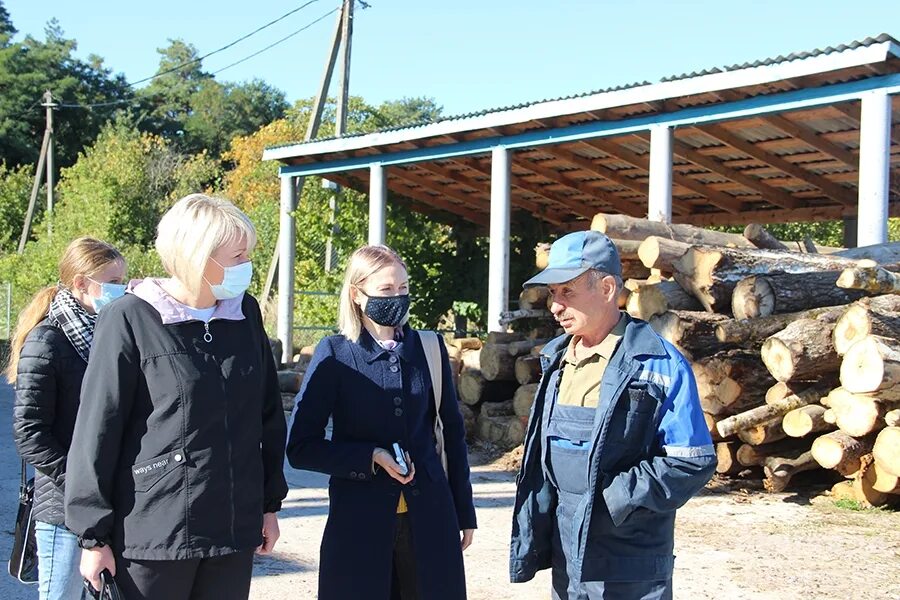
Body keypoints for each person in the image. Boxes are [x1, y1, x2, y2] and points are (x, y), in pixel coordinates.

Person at [64, 194, 288, 600]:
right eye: (238, 255)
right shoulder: (130, 317)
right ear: (198, 255)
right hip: (156, 533)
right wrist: (92, 537)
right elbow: (98, 428)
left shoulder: (244, 313)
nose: (247, 266)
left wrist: (269, 504)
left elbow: (267, 414)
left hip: (231, 531)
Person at [509, 230, 716, 600]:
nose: (554, 306)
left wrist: (615, 498)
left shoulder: (658, 363)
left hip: (628, 559)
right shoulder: (556, 361)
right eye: (553, 294)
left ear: (606, 289)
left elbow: (692, 461)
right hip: (567, 549)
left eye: (567, 292)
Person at [286, 244, 476, 600]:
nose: (398, 298)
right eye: (386, 290)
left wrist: (464, 512)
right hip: (359, 523)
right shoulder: (334, 354)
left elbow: (452, 435)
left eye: (403, 288)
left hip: (431, 519)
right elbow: (301, 448)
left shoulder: (430, 347)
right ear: (358, 295)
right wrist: (369, 456)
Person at [8, 237, 127, 600]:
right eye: (112, 282)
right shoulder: (47, 340)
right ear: (80, 283)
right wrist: (78, 478)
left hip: (107, 503)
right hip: (62, 506)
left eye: (123, 281)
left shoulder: (109, 335)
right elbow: (29, 432)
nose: (120, 290)